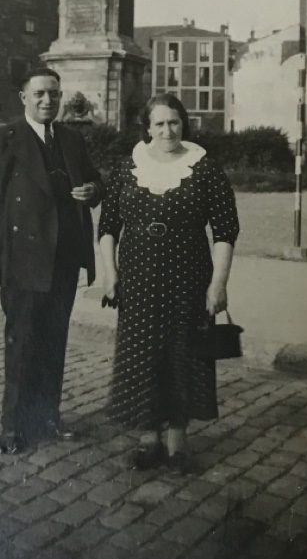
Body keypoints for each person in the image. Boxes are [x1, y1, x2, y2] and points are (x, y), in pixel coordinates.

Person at [98, 94, 240, 473]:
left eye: (174, 122)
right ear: (147, 128)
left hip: (188, 276)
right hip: (138, 276)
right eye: (159, 123)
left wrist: (218, 283)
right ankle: (148, 436)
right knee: (142, 353)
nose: (167, 130)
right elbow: (108, 227)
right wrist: (110, 273)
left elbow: (225, 231)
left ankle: (178, 438)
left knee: (183, 353)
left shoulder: (205, 168)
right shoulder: (128, 168)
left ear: (184, 125)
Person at [0, 68, 104, 454]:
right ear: (24, 98)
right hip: (22, 260)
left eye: (55, 95)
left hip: (63, 260)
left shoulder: (73, 140)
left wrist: (93, 189)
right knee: (22, 344)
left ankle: (47, 418)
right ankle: (13, 428)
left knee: (53, 342)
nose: (49, 101)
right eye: (41, 94)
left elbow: (97, 182)